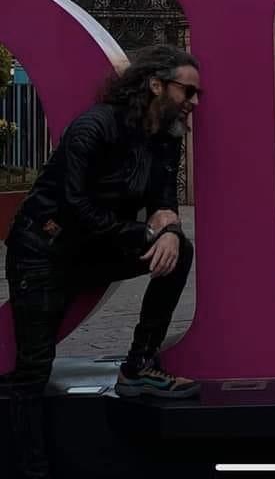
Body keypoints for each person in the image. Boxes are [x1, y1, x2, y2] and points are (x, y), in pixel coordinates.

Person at [1, 45, 200, 478]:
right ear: (156, 85)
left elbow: (164, 201)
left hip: (99, 246)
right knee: (34, 368)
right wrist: (144, 234)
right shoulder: (95, 127)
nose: (194, 102)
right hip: (44, 250)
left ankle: (139, 365)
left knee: (181, 250)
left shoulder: (166, 139)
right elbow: (75, 206)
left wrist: (168, 230)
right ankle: (31, 471)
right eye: (188, 91)